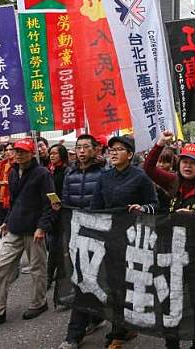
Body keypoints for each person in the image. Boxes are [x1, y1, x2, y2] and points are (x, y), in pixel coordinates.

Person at [144, 131, 195, 349]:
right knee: (170, 299)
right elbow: (148, 169)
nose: (188, 166)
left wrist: (194, 218)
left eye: (193, 163)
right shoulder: (172, 182)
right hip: (170, 253)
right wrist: (159, 144)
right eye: (184, 162)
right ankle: (172, 343)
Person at [0, 138, 56, 331]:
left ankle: (39, 302)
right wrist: (7, 221)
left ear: (31, 153)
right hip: (14, 227)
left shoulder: (42, 173)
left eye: (23, 151)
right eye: (16, 151)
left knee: (37, 269)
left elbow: (51, 203)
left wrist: (42, 227)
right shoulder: (12, 172)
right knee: (1, 267)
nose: (18, 154)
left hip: (35, 230)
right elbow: (15, 201)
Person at [91, 135, 160, 349]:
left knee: (130, 284)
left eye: (119, 149)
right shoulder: (104, 177)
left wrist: (142, 209)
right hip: (111, 238)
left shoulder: (139, 177)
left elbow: (155, 205)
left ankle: (121, 331)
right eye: (111, 149)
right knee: (114, 284)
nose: (113, 152)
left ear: (129, 155)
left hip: (134, 238)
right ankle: (121, 328)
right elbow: (96, 206)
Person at [58, 134, 109, 349]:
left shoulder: (106, 173)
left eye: (86, 147)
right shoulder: (70, 172)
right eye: (78, 147)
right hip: (78, 233)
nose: (81, 151)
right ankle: (74, 334)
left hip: (102, 234)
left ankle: (106, 322)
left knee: (101, 279)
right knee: (82, 280)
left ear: (96, 149)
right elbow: (66, 199)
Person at [47, 144, 69, 289]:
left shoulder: (67, 171)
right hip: (51, 213)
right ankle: (50, 275)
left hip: (64, 213)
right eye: (51, 153)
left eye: (55, 153)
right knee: (53, 246)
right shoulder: (50, 171)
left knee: (59, 248)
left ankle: (55, 277)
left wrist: (62, 203)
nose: (52, 156)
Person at [0, 143, 15, 235]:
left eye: (11, 149)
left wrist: (7, 183)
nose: (8, 152)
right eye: (6, 150)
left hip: (10, 202)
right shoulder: (2, 164)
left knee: (8, 230)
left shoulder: (18, 164)